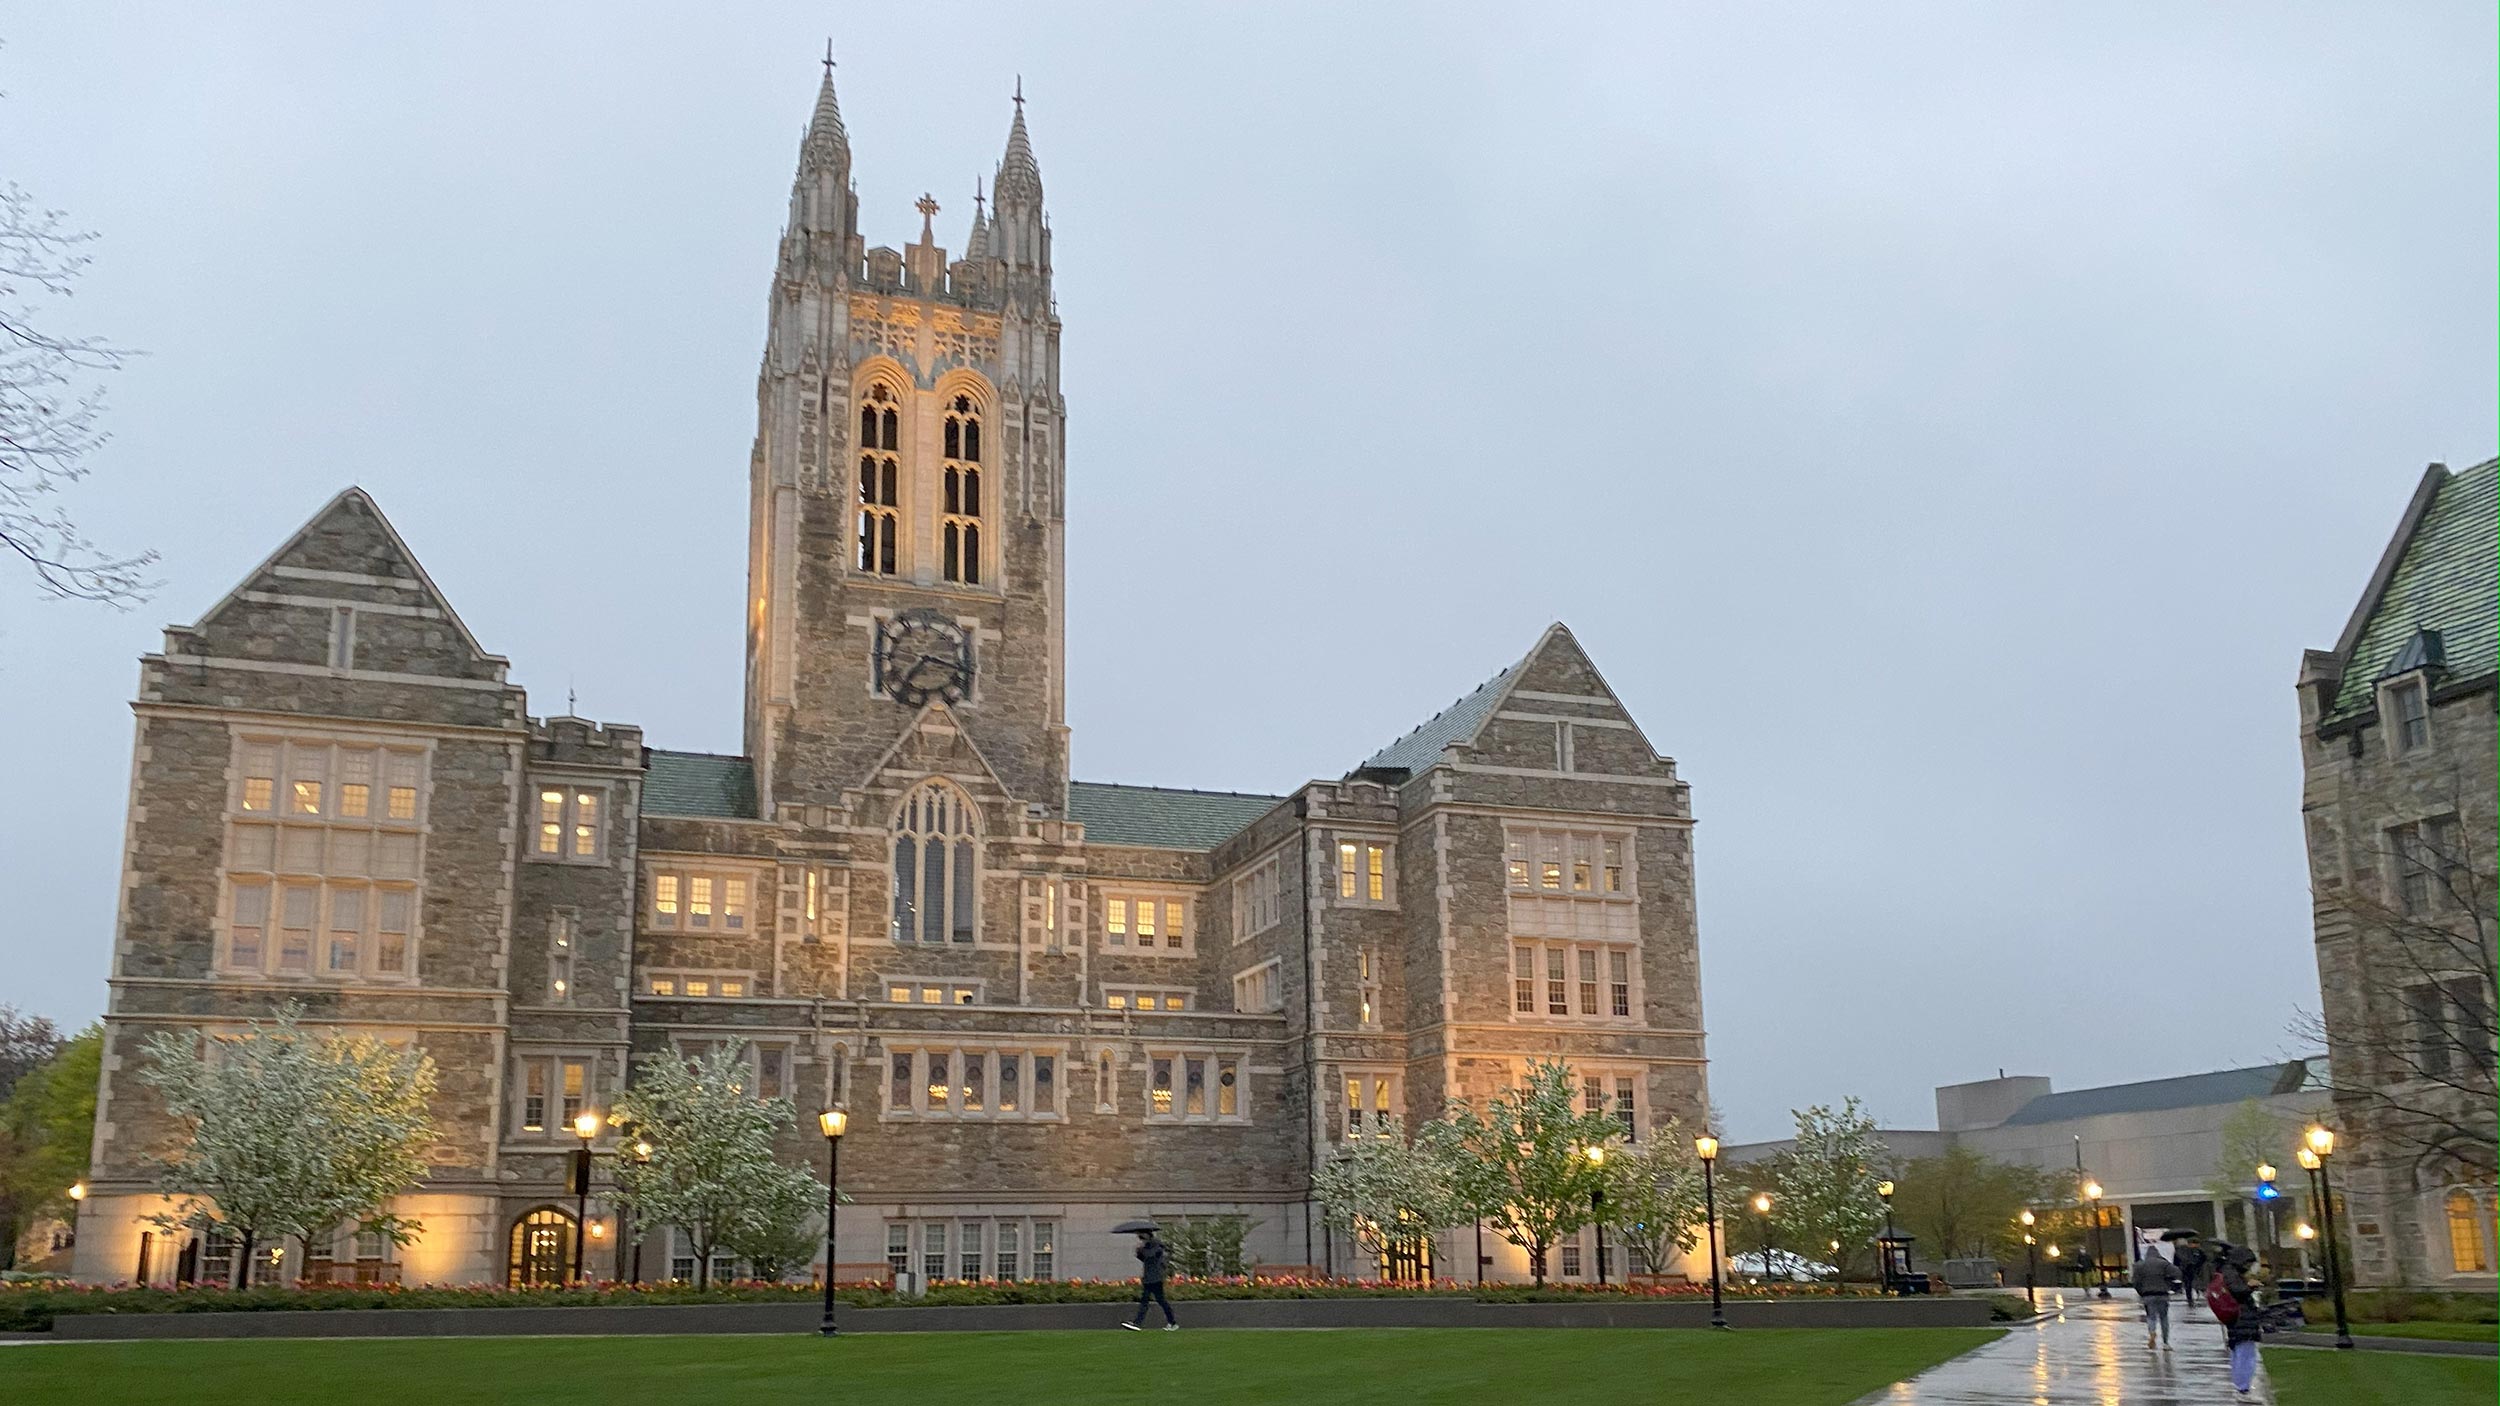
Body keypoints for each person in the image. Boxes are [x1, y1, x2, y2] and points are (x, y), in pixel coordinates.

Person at [2217, 1242, 2262, 1398]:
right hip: (2242, 1317)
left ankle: (2241, 1383)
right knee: (2245, 1353)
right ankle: (2243, 1385)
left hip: (2238, 1318)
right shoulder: (2232, 1274)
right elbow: (2238, 1290)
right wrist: (2250, 1286)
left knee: (2239, 1350)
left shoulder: (2228, 1271)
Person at [1122, 1227, 1177, 1331]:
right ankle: (1138, 1323)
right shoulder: (1148, 1245)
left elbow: (1151, 1255)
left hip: (1155, 1278)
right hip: (1149, 1277)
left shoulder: (1156, 1244)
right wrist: (1139, 1252)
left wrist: (1141, 1249)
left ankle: (1171, 1322)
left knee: (1159, 1301)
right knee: (1147, 1301)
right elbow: (1144, 1259)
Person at [2130, 1243, 2182, 1349]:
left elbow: (2135, 1281)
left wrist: (2141, 1292)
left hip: (2148, 1294)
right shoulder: (2164, 1264)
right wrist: (2170, 1284)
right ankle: (2165, 1342)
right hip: (2162, 1293)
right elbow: (2177, 1272)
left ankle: (2152, 1332)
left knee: (2151, 1316)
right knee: (2164, 1317)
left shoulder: (2140, 1265)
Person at [2173, 1238, 2207, 1316]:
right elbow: (2204, 1258)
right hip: (2192, 1270)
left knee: (2189, 1285)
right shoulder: (2196, 1251)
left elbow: (2176, 1261)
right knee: (2192, 1284)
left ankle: (2191, 1298)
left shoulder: (2180, 1251)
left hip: (2187, 1270)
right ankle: (2195, 1296)